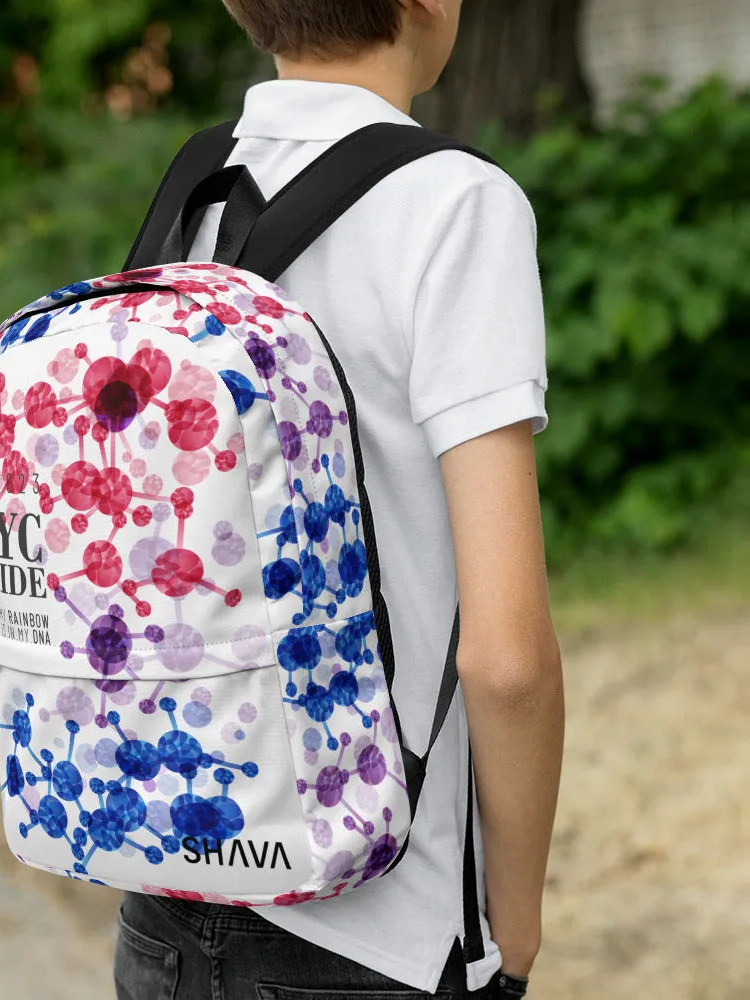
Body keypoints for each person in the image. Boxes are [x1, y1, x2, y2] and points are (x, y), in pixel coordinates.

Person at [114, 1, 565, 997]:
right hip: (375, 930)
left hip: (166, 897)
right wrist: (515, 923)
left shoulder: (196, 188)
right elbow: (505, 660)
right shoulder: (455, 203)